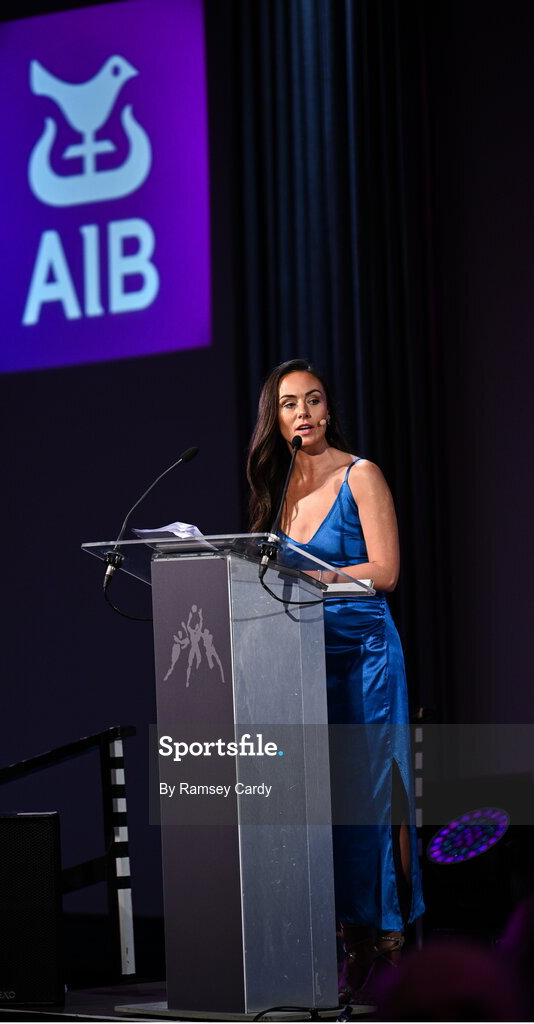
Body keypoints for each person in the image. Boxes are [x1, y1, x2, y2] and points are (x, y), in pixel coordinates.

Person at [247, 358, 424, 1004]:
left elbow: (386, 571)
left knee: (369, 805)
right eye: (291, 404)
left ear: (327, 410)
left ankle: (387, 946)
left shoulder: (361, 474)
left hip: (365, 655)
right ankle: (345, 943)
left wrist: (314, 579)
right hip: (304, 660)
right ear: (277, 419)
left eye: (314, 401)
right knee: (321, 809)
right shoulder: (281, 494)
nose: (305, 414)